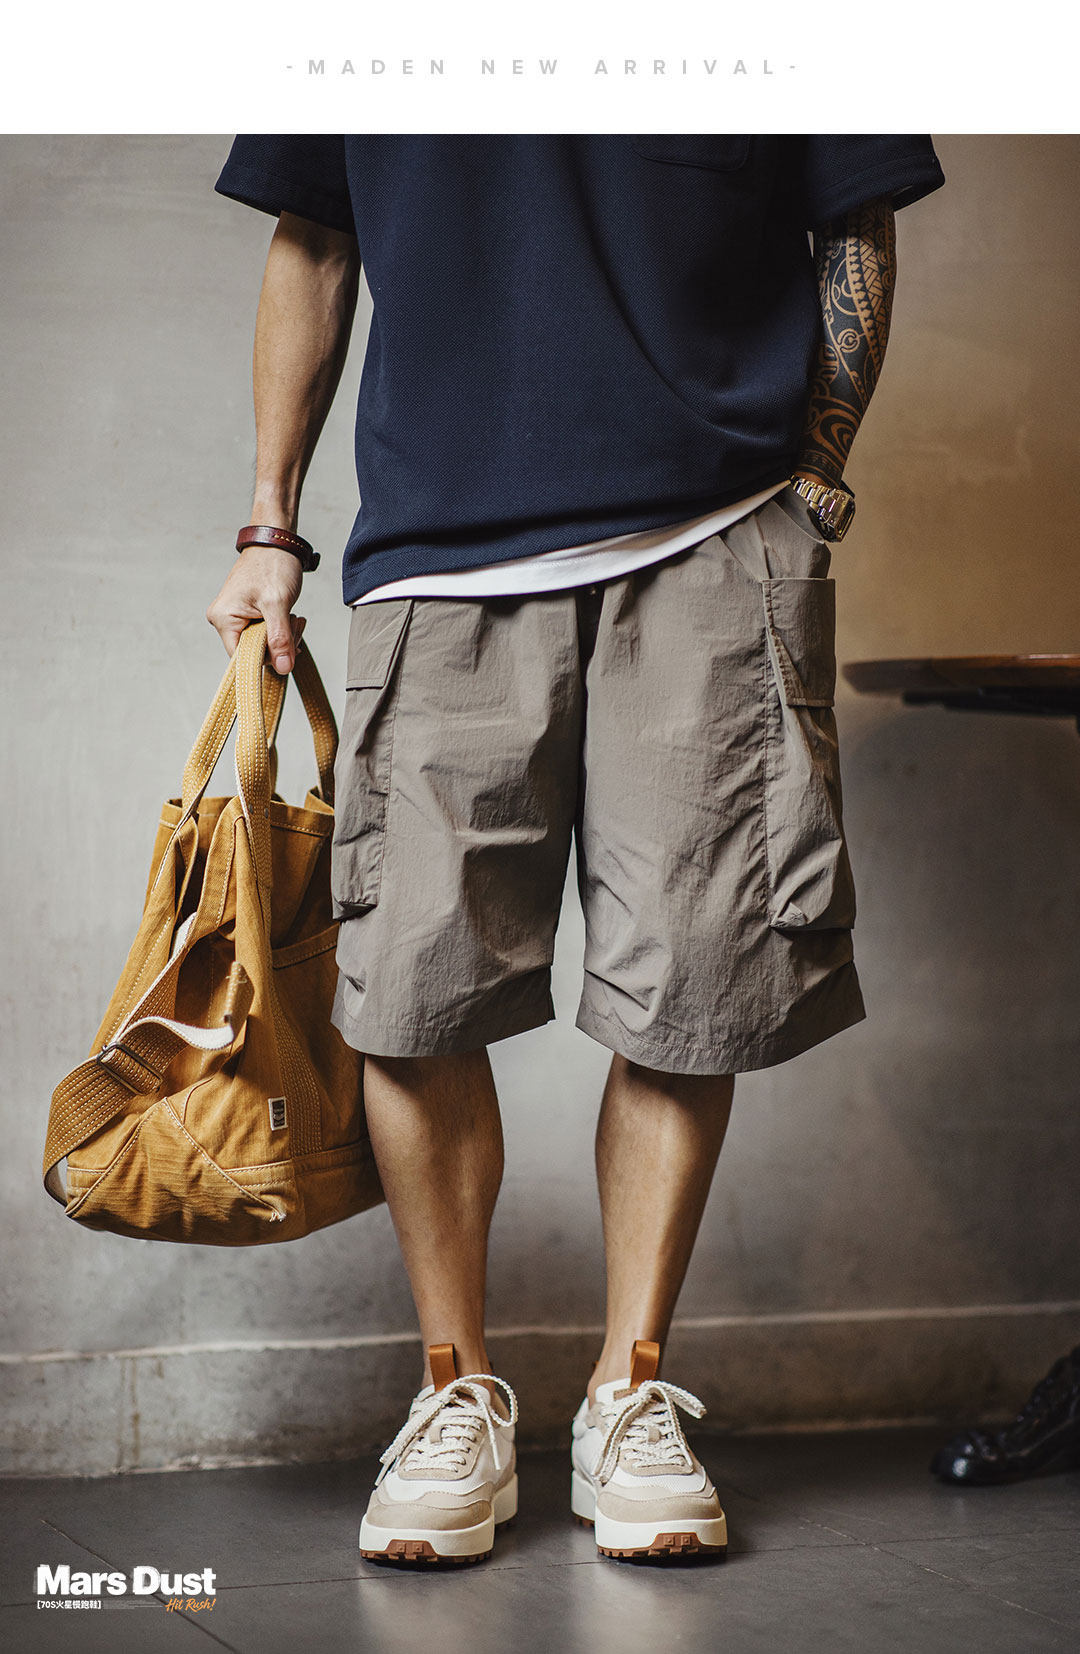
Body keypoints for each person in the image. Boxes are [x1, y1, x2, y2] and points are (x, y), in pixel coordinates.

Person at [207, 134, 945, 1566]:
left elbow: (856, 211)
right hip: (439, 549)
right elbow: (313, 232)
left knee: (696, 979)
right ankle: (453, 1394)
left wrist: (817, 471)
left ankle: (629, 1390)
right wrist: (269, 528)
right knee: (410, 989)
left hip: (715, 528)